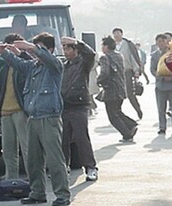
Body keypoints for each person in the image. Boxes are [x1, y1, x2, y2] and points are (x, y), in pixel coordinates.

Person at [0, 32, 70, 206]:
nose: (34, 53)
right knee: (33, 159)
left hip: (49, 118)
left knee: (54, 159)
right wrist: (5, 52)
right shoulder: (32, 67)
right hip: (33, 117)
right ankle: (37, 192)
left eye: (40, 48)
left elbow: (47, 58)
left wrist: (32, 47)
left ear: (50, 50)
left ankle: (62, 195)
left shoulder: (54, 65)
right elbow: (18, 63)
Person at [0, 33, 30, 180]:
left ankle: (33, 177)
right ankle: (11, 177)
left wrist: (20, 54)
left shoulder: (24, 62)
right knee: (8, 148)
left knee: (26, 147)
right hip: (5, 111)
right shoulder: (3, 64)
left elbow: (31, 66)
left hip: (21, 110)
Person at [60, 37, 98, 181]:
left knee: (81, 137)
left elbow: (91, 54)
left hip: (79, 105)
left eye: (68, 48)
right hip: (65, 106)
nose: (66, 52)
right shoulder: (63, 65)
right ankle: (64, 166)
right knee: (63, 138)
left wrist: (77, 42)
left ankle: (90, 167)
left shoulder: (83, 63)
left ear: (75, 50)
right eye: (64, 48)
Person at [97, 36, 138, 143]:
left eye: (103, 45)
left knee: (112, 116)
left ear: (106, 46)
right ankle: (131, 125)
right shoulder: (119, 55)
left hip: (111, 90)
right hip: (120, 88)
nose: (102, 48)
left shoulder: (104, 58)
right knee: (117, 111)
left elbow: (104, 73)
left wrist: (98, 80)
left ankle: (127, 134)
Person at [112, 28, 143, 120]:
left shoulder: (128, 45)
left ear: (122, 34)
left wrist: (136, 70)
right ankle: (118, 113)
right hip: (115, 74)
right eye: (115, 34)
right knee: (117, 94)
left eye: (118, 33)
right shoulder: (112, 45)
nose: (116, 35)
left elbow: (133, 57)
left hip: (127, 71)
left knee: (129, 93)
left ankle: (138, 109)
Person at [150, 34, 172, 135]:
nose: (161, 43)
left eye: (163, 41)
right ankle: (162, 127)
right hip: (160, 85)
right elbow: (153, 69)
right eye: (159, 41)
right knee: (161, 108)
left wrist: (171, 77)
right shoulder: (155, 55)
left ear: (167, 42)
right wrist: (161, 77)